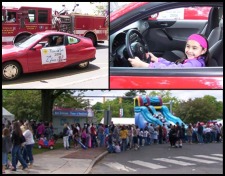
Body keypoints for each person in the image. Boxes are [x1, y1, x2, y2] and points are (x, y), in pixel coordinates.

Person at [128, 33, 209, 68]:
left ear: (203, 51)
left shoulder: (194, 64)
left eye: (194, 48)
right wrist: (157, 59)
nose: (189, 51)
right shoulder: (195, 60)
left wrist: (144, 65)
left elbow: (172, 70)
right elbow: (175, 65)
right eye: (188, 46)